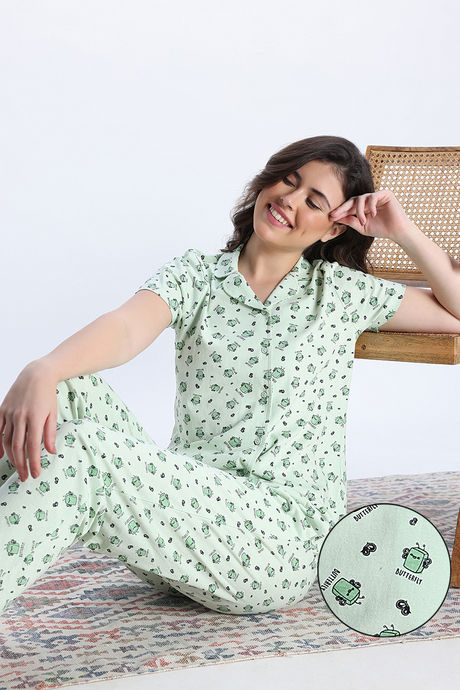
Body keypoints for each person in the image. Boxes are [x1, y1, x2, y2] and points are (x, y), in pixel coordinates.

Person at [1, 135, 458, 616]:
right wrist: (44, 369)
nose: (289, 200)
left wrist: (402, 230)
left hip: (276, 544)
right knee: (63, 386)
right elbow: (126, 327)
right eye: (289, 181)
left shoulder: (341, 293)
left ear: (332, 228)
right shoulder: (196, 275)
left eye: (314, 201)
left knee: (84, 451)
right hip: (182, 525)